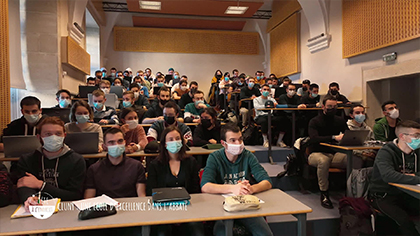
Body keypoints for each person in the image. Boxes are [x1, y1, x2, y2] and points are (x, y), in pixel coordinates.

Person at [201, 124, 273, 236]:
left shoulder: (248, 156)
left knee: (265, 234)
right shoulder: (214, 157)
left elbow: (267, 182)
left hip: (246, 207)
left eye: (240, 139)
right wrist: (233, 188)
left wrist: (251, 188)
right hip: (222, 208)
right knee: (221, 232)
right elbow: (205, 186)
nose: (238, 144)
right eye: (233, 140)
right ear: (224, 143)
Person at [16, 117, 86, 209]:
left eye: (58, 134)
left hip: (66, 208)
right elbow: (24, 185)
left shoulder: (77, 160)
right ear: (39, 137)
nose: (53, 137)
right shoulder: (27, 160)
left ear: (64, 135)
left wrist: (40, 185)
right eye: (48, 134)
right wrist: (30, 198)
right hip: (37, 207)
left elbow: (74, 195)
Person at [147, 126, 204, 236]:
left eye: (178, 139)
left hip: (188, 208)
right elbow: (151, 191)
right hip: (163, 210)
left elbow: (195, 190)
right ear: (164, 143)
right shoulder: (155, 165)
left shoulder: (190, 162)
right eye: (171, 139)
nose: (175, 142)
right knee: (162, 233)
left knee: (197, 231)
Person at [369, 120, 420, 236]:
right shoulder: (386, 152)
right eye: (416, 136)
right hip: (383, 195)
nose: (419, 139)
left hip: (409, 194)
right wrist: (417, 177)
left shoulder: (417, 153)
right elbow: (389, 176)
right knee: (403, 221)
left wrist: (413, 175)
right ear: (402, 136)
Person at [307, 96, 348, 209]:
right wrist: (334, 137)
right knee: (323, 161)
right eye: (329, 106)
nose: (332, 108)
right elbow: (314, 138)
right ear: (323, 106)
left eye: (335, 106)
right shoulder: (314, 121)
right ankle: (324, 193)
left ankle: (352, 191)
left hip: (335, 154)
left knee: (354, 158)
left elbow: (347, 134)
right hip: (316, 153)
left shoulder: (339, 120)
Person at [84, 127, 146, 198]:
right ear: (104, 146)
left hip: (130, 206)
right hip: (104, 207)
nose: (116, 145)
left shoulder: (137, 166)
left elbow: (141, 196)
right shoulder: (94, 169)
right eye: (111, 142)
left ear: (125, 143)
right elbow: (88, 198)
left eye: (120, 141)